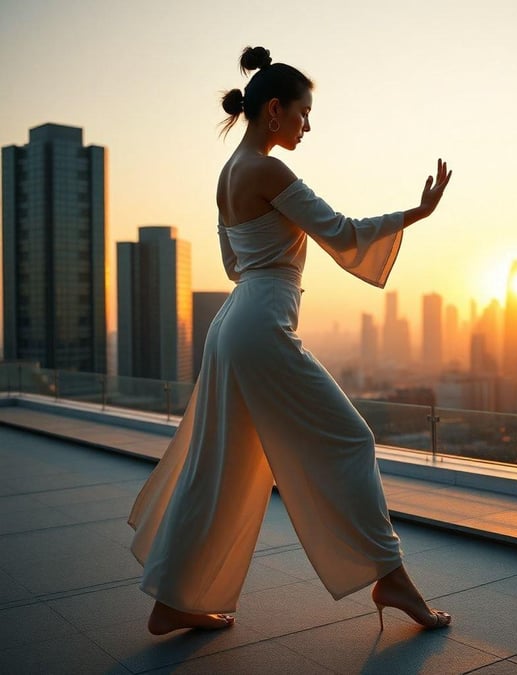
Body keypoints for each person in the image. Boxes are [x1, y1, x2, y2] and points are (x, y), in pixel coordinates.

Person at [128, 46, 452, 636]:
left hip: (232, 324)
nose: (309, 125)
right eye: (304, 113)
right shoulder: (270, 170)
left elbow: (234, 263)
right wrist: (417, 212)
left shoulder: (229, 172)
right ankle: (390, 576)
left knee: (222, 467)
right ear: (274, 111)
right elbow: (343, 233)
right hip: (259, 329)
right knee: (352, 439)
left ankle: (173, 598)